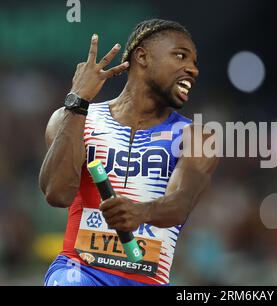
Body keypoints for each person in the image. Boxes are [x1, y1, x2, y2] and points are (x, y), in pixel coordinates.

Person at [39, 19, 219, 286]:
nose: (193, 69)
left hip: (147, 281)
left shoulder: (198, 137)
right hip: (78, 272)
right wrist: (78, 102)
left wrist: (141, 212)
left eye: (194, 61)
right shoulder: (76, 119)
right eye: (180, 55)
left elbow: (181, 205)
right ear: (143, 56)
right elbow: (57, 194)